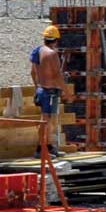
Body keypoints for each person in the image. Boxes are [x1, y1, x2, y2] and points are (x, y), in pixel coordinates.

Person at [29, 25, 73, 153]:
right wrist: (68, 93)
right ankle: (41, 149)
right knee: (47, 122)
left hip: (41, 90)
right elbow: (57, 76)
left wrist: (37, 87)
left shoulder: (37, 51)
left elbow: (33, 72)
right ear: (56, 40)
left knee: (46, 121)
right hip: (49, 92)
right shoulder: (52, 54)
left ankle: (46, 146)